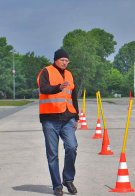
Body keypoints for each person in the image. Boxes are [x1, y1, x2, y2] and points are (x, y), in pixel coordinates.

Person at [37, 49, 79, 195]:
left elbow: (73, 97)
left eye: (67, 60)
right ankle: (57, 186)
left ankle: (68, 179)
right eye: (62, 60)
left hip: (68, 119)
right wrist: (58, 87)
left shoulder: (69, 74)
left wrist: (77, 117)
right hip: (50, 119)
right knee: (52, 154)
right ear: (55, 60)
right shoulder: (46, 71)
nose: (65, 63)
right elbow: (43, 88)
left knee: (72, 147)